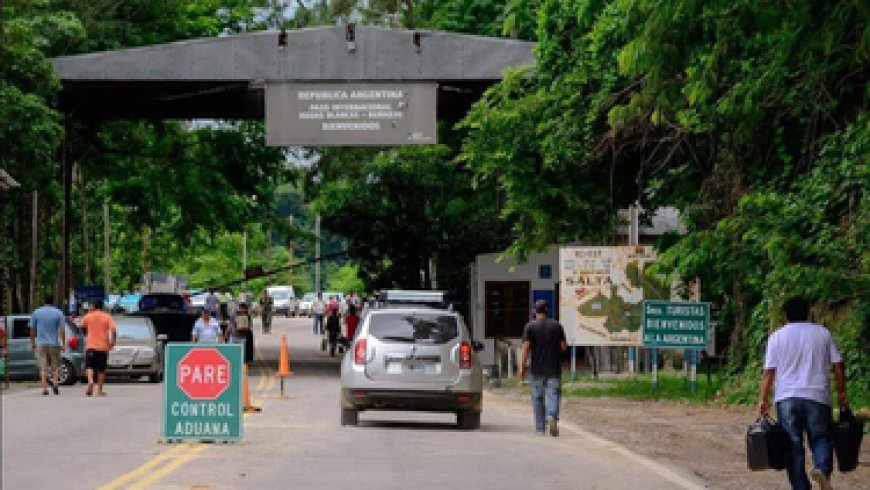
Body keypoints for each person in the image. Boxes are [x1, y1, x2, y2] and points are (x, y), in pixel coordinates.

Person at [758, 296, 848, 490]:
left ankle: (800, 487)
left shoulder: (777, 336)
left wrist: (763, 399)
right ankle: (822, 470)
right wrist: (842, 392)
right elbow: (838, 365)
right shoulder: (823, 334)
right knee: (821, 437)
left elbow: (769, 372)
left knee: (793, 446)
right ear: (808, 312)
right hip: (817, 396)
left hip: (787, 399)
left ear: (785, 315)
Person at [518, 299, 567, 436]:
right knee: (553, 394)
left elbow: (526, 348)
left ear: (535, 311)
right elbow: (563, 347)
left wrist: (521, 367)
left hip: (536, 369)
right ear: (547, 311)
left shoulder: (530, 327)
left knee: (537, 397)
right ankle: (552, 416)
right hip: (554, 368)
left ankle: (540, 428)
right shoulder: (557, 326)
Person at [29, 295, 66, 396]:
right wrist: (63, 343)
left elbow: (32, 329)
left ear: (44, 301)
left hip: (40, 343)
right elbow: (62, 329)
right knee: (55, 366)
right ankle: (55, 383)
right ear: (53, 301)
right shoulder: (58, 313)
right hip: (54, 342)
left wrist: (32, 342)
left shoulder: (36, 312)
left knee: (43, 367)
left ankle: (44, 388)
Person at [79, 300, 116, 397]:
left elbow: (81, 326)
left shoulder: (88, 316)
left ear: (93, 307)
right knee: (101, 369)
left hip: (91, 345)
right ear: (102, 307)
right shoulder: (107, 317)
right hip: (103, 346)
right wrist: (113, 341)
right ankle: (99, 390)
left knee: (89, 366)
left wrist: (87, 333)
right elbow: (113, 330)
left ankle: (90, 381)